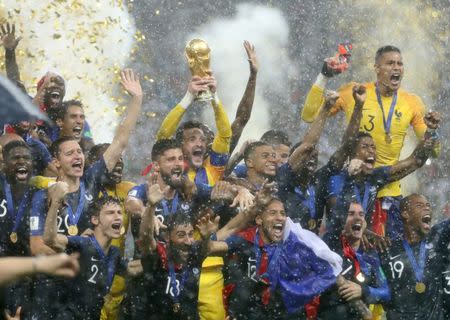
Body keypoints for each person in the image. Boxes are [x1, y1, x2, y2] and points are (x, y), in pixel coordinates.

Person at [29, 69, 142, 319]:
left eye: (79, 152)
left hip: (82, 293)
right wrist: (77, 255)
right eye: (69, 153)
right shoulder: (42, 196)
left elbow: (120, 142)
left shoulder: (91, 182)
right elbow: (37, 247)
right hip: (50, 291)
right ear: (56, 162)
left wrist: (136, 100)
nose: (78, 156)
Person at [301, 45, 440, 236]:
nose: (396, 68)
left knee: (385, 255)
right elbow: (309, 115)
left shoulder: (412, 102)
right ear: (376, 68)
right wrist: (324, 76)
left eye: (400, 63)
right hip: (354, 186)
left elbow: (434, 151)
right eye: (390, 63)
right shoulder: (355, 91)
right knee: (347, 249)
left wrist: (433, 132)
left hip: (389, 189)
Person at [199, 185, 342, 319]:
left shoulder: (293, 246)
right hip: (247, 312)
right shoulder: (245, 240)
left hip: (279, 313)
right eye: (272, 213)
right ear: (259, 219)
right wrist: (206, 238)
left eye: (282, 213)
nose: (279, 217)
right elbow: (210, 248)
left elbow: (326, 269)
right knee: (247, 285)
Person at [326, 111, 440, 237]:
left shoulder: (374, 178)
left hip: (360, 245)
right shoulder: (337, 178)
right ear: (352, 153)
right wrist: (369, 234)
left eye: (373, 148)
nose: (371, 151)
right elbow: (339, 217)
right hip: (337, 245)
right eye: (365, 147)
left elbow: (415, 162)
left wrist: (430, 132)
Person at [42, 187, 139, 320]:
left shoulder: (113, 254)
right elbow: (49, 239)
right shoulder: (83, 244)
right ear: (95, 220)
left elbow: (133, 269)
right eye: (110, 213)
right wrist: (55, 204)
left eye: (119, 212)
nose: (117, 217)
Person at [379, 194, 450, 319]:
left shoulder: (436, 238)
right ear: (405, 214)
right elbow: (383, 291)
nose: (427, 208)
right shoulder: (388, 248)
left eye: (428, 205)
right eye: (419, 205)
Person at [85, 143, 136, 320]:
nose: (120, 163)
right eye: (114, 159)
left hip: (116, 277)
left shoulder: (129, 189)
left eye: (121, 159)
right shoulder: (86, 190)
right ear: (94, 163)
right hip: (89, 275)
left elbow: (148, 193)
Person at [157, 74, 231, 187]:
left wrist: (214, 96)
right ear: (180, 145)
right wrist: (189, 96)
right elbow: (163, 135)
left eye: (202, 140)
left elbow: (225, 134)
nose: (199, 144)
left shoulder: (214, 167)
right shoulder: (172, 170)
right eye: (192, 139)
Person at [319, 202, 390, 319]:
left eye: (361, 215)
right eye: (351, 214)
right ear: (342, 220)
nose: (358, 218)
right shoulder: (329, 248)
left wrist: (363, 291)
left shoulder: (370, 255)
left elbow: (386, 293)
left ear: (365, 223)